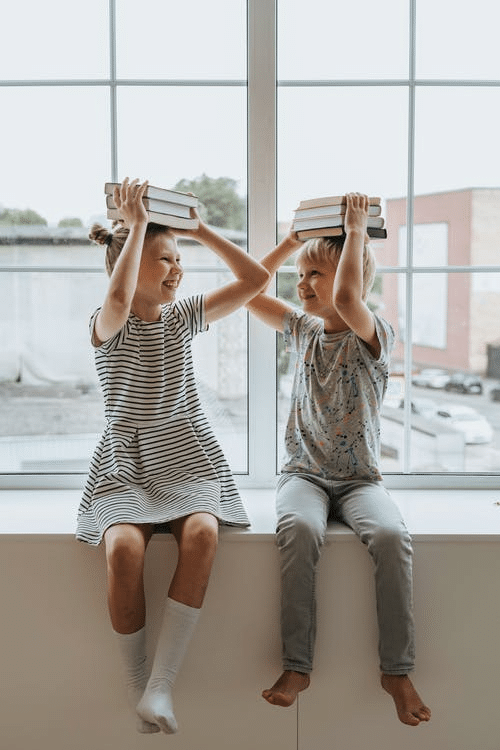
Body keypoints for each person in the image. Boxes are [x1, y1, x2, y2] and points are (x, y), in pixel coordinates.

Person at [76, 177, 269, 734]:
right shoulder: (107, 324)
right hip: (127, 462)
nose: (177, 268)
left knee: (204, 533)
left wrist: (199, 229)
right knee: (124, 552)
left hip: (186, 455)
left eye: (178, 258)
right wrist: (137, 226)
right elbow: (117, 298)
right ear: (129, 265)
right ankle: (138, 686)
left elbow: (255, 280)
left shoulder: (184, 317)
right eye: (164, 260)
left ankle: (162, 685)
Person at [245, 193, 431, 727]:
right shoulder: (302, 330)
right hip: (304, 474)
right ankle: (297, 665)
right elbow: (251, 291)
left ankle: (396, 669)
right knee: (299, 530)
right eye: (301, 275)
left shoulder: (374, 335)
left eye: (315, 275)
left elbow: (349, 298)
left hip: (359, 481)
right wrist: (290, 243)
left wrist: (354, 232)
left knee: (394, 538)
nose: (302, 285)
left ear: (351, 274)